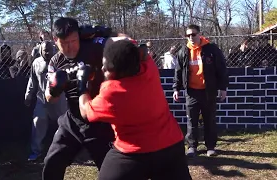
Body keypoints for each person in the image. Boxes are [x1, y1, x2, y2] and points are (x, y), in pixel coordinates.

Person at [77, 38, 192, 180]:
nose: (102, 69)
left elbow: (85, 111)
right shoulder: (149, 68)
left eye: (107, 69)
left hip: (131, 153)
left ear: (119, 74)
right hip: (170, 146)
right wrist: (106, 37)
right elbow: (130, 46)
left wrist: (82, 85)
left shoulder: (112, 92)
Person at [42, 17, 114, 180]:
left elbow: (124, 46)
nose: (70, 46)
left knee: (111, 170)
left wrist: (105, 34)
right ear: (55, 40)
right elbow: (49, 98)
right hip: (73, 121)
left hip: (99, 119)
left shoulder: (94, 47)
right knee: (52, 162)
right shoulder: (55, 61)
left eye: (74, 40)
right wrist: (55, 89)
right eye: (64, 42)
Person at [173, 24, 229, 157]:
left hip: (208, 91)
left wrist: (223, 88)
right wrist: (176, 88)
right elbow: (178, 72)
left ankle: (210, 147)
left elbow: (221, 69)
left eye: (193, 34)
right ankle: (192, 146)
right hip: (191, 92)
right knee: (191, 121)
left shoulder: (211, 49)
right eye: (188, 35)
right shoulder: (183, 51)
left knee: (209, 119)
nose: (191, 37)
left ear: (199, 34)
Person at [25, 41, 67, 161]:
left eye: (50, 50)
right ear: (40, 51)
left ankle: (64, 150)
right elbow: (32, 81)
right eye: (45, 50)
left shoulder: (61, 60)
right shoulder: (36, 63)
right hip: (42, 99)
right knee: (38, 122)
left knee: (64, 124)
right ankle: (36, 151)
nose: (48, 52)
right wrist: (28, 95)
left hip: (59, 99)